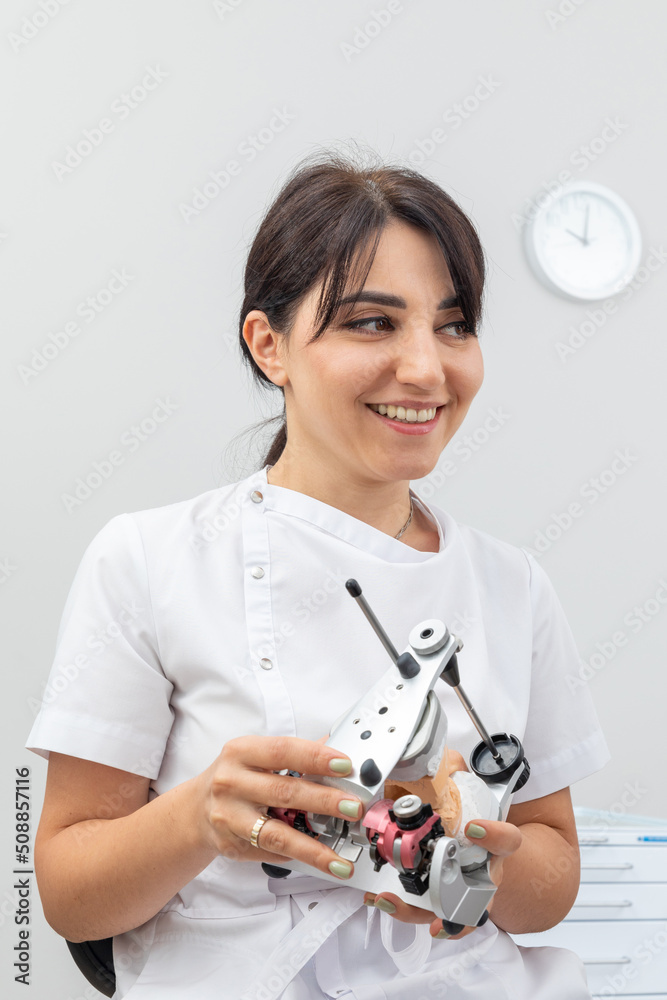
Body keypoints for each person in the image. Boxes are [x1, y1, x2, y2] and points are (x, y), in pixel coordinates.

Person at [27, 149, 610, 999]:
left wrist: (471, 871)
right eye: (372, 323)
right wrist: (202, 819)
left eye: (453, 324)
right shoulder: (150, 559)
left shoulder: (511, 585)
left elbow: (551, 876)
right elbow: (68, 896)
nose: (424, 367)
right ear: (270, 346)